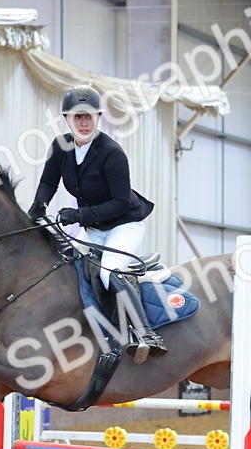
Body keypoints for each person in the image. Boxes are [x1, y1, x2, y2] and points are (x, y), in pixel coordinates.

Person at [28, 85, 167, 362]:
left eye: (89, 116)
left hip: (124, 224)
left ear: (98, 118)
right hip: (93, 229)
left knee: (108, 271)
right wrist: (38, 204)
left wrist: (78, 216)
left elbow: (121, 203)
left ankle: (146, 334)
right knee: (73, 270)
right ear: (67, 119)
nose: (83, 122)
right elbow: (48, 182)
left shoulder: (111, 153)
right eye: (77, 117)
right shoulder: (61, 146)